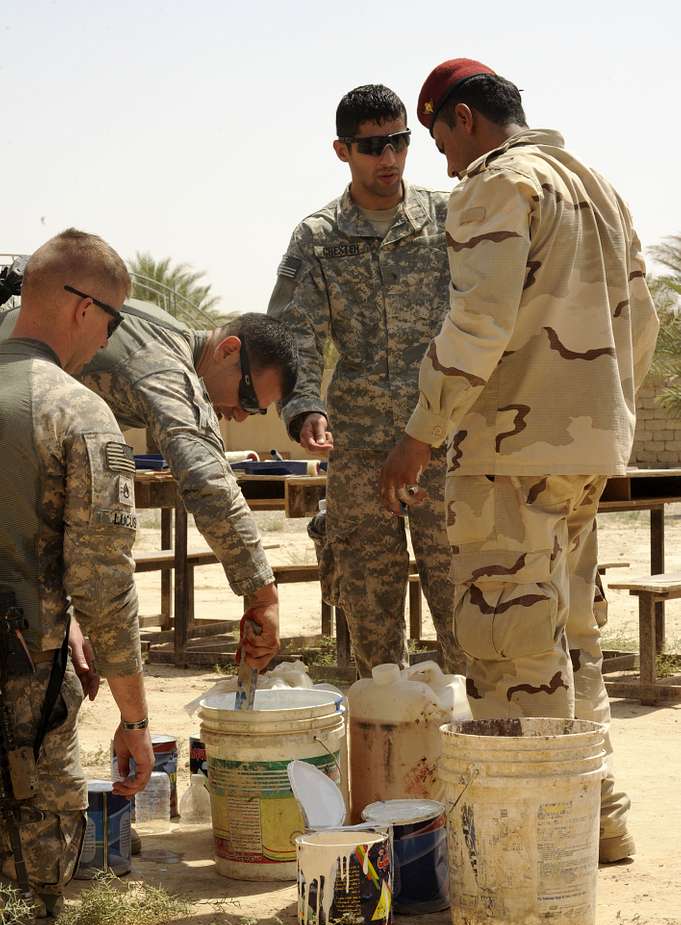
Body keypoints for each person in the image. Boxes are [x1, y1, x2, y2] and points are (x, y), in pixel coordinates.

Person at [380, 59, 659, 863]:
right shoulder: (593, 185)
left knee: (508, 640)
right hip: (582, 450)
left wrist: (418, 436)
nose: (441, 163)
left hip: (508, 451)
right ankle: (599, 818)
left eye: (436, 139)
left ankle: (538, 847)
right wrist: (600, 416)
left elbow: (475, 325)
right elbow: (638, 321)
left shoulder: (498, 184)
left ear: (462, 118)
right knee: (570, 631)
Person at [268, 84, 461, 678]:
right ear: (342, 151)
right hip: (359, 455)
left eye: (399, 141)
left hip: (446, 443)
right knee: (373, 620)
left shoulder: (449, 218)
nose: (390, 158)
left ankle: (475, 749)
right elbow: (294, 334)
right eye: (373, 146)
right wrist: (304, 410)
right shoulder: (318, 236)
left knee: (466, 611)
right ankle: (390, 747)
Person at [0, 299, 299, 669]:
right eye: (248, 398)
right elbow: (208, 483)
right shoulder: (166, 368)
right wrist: (263, 596)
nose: (239, 415)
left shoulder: (160, 326)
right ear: (228, 350)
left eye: (255, 411)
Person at [0, 229, 154, 925]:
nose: (110, 341)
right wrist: (135, 718)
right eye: (114, 320)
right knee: (28, 907)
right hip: (21, 684)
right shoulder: (77, 413)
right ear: (79, 309)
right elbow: (104, 585)